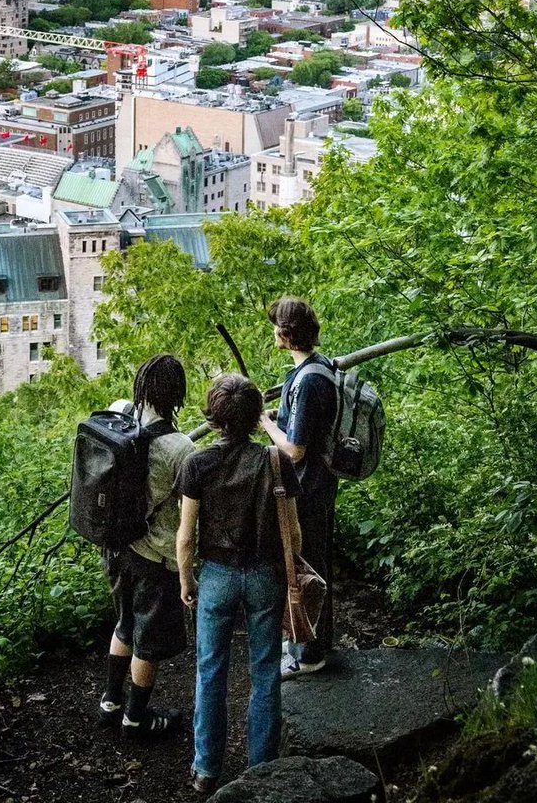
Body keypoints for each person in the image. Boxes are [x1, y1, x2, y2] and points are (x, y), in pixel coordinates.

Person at [176, 373, 302, 795]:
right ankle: (261, 768)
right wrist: (290, 576)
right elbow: (295, 532)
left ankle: (206, 769)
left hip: (217, 577)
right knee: (265, 671)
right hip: (266, 575)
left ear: (213, 416)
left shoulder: (197, 463)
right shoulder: (274, 459)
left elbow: (186, 536)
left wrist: (186, 579)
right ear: (254, 417)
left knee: (211, 671)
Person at [99, 353, 195, 738]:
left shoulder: (122, 422)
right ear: (176, 395)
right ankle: (136, 720)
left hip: (118, 549)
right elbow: (188, 510)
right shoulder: (180, 448)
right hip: (155, 558)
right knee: (148, 642)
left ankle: (110, 702)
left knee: (124, 623)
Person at [259, 296, 338, 679]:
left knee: (306, 570)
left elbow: (294, 449)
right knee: (313, 564)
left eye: (276, 326)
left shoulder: (308, 381)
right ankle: (313, 645)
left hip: (309, 489)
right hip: (317, 486)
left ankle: (310, 655)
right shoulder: (316, 368)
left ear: (287, 335)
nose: (272, 330)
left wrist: (266, 424)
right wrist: (282, 416)